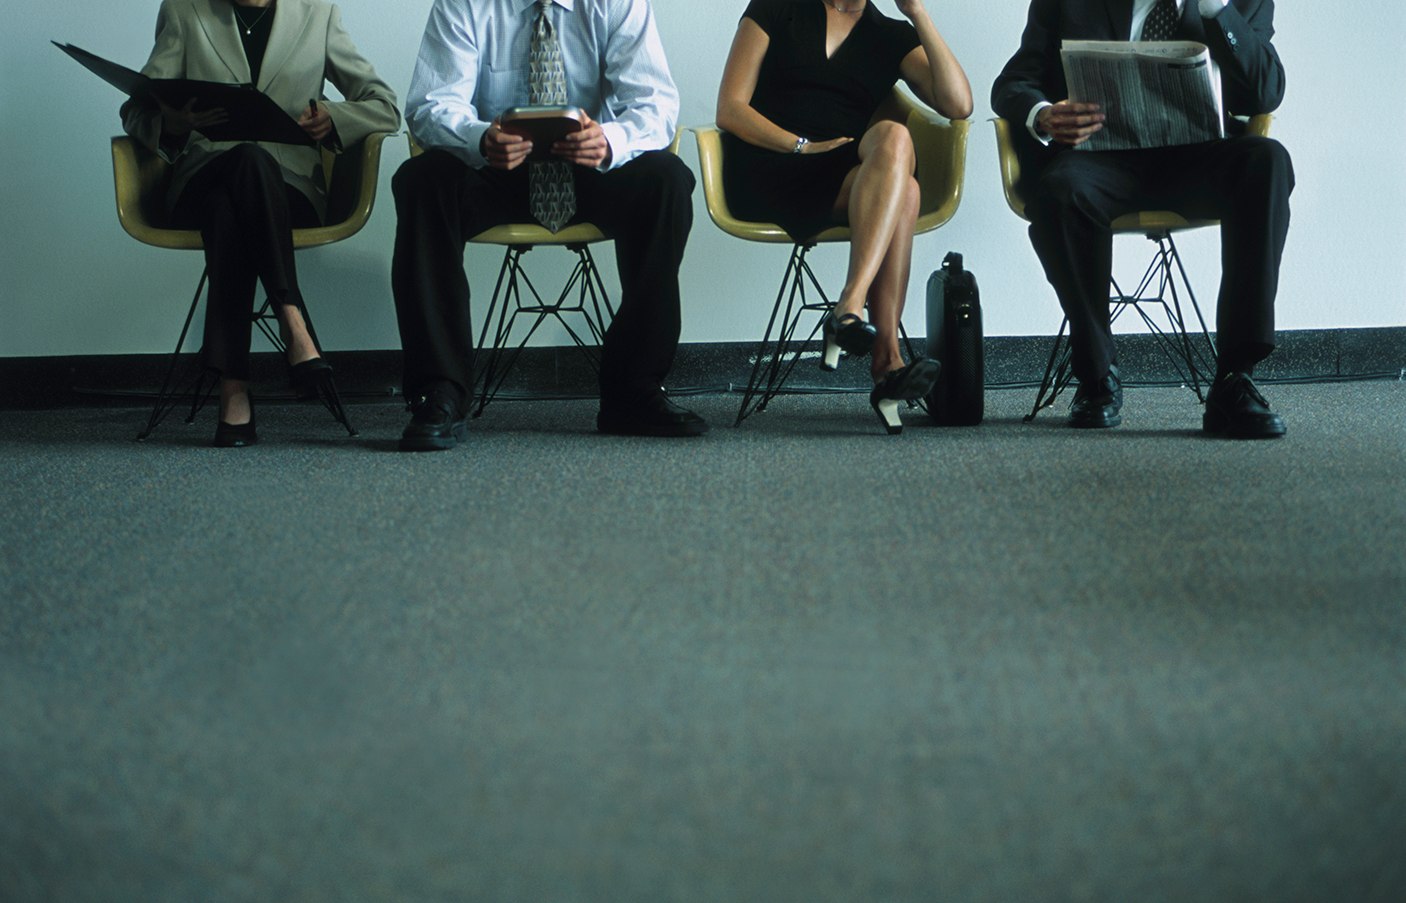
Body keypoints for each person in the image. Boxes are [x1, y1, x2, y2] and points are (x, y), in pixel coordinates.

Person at [391, 0, 705, 450]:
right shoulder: (463, 4)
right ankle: (439, 391)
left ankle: (633, 391)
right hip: (494, 168)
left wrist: (610, 139)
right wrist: (479, 136)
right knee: (421, 180)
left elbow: (655, 104)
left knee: (668, 180)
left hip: (588, 168)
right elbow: (429, 105)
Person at [992, 0, 1293, 438]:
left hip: (1197, 159)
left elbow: (1265, 92)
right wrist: (1044, 115)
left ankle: (1235, 379)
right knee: (1059, 191)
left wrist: (1216, 11)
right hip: (1102, 159)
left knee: (1268, 161)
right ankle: (1097, 374)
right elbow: (1013, 82)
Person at [122, 0, 400, 447]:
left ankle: (233, 389)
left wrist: (336, 118)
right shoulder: (184, 10)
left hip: (288, 190)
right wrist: (171, 122)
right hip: (203, 174)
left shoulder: (318, 12)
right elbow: (134, 110)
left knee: (226, 210)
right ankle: (293, 322)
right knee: (238, 169)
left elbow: (385, 106)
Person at [716, 0, 972, 434]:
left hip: (836, 172)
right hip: (767, 165)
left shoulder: (890, 34)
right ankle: (879, 352)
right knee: (902, 181)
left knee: (902, 170)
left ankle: (866, 330)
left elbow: (958, 103)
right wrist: (800, 145)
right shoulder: (777, 8)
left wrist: (918, 15)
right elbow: (731, 108)